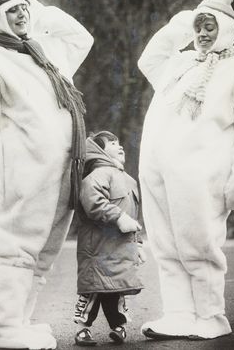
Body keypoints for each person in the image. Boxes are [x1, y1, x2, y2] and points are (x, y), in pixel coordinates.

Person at [0, 0, 93, 350]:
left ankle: (20, 322)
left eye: (24, 8)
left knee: (43, 253)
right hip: (24, 173)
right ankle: (3, 329)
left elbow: (81, 38)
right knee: (16, 250)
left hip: (62, 172)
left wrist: (39, 11)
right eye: (13, 11)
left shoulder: (45, 49)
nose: (21, 15)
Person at [137, 0, 234, 340]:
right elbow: (150, 56)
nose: (203, 33)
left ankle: (210, 316)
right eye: (199, 26)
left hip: (202, 174)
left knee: (199, 244)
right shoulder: (179, 64)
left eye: (210, 26)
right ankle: (178, 314)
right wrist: (191, 15)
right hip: (158, 171)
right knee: (165, 245)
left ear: (226, 29)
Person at [73, 131, 145, 346]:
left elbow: (135, 215)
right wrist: (119, 217)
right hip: (98, 248)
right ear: (99, 151)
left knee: (117, 288)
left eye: (119, 142)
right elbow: (93, 202)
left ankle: (118, 327)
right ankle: (82, 328)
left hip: (122, 248)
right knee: (94, 290)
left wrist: (138, 243)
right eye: (113, 143)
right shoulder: (97, 175)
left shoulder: (129, 180)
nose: (119, 145)